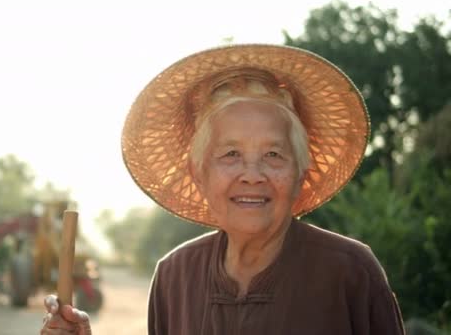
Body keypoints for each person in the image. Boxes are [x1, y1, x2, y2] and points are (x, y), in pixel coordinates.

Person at [40, 44, 405, 334]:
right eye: (230, 154)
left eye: (274, 154)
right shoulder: (174, 276)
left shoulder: (350, 272)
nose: (252, 174)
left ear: (301, 171)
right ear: (198, 172)